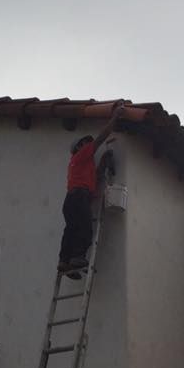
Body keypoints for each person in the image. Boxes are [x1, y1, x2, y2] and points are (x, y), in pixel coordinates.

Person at [58, 106, 121, 280]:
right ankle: (77, 258)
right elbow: (101, 138)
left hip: (72, 198)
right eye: (86, 143)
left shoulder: (83, 165)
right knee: (85, 227)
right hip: (79, 196)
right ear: (79, 146)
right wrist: (115, 118)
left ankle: (65, 262)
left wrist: (104, 160)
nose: (89, 145)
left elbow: (97, 176)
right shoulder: (80, 155)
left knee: (72, 229)